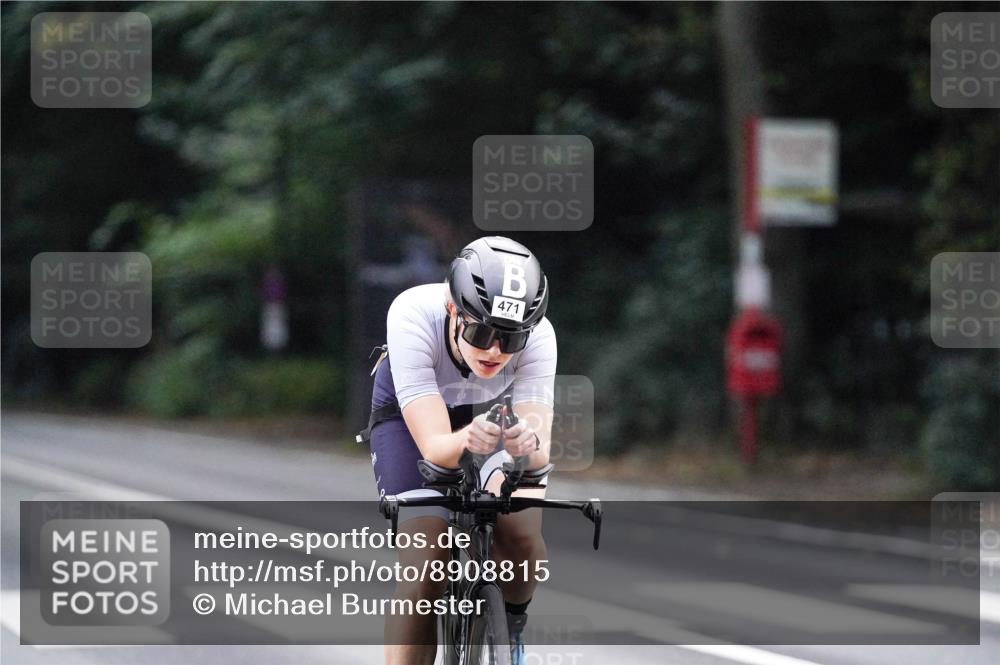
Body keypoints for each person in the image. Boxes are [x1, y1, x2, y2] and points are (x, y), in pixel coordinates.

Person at [363, 236, 556, 665]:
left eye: (510, 339)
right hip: (413, 415)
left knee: (523, 540)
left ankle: (510, 632)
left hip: (494, 413)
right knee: (426, 562)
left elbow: (538, 450)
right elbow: (435, 447)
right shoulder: (413, 313)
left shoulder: (540, 335)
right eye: (480, 331)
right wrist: (466, 440)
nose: (494, 350)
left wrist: (526, 447)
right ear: (453, 310)